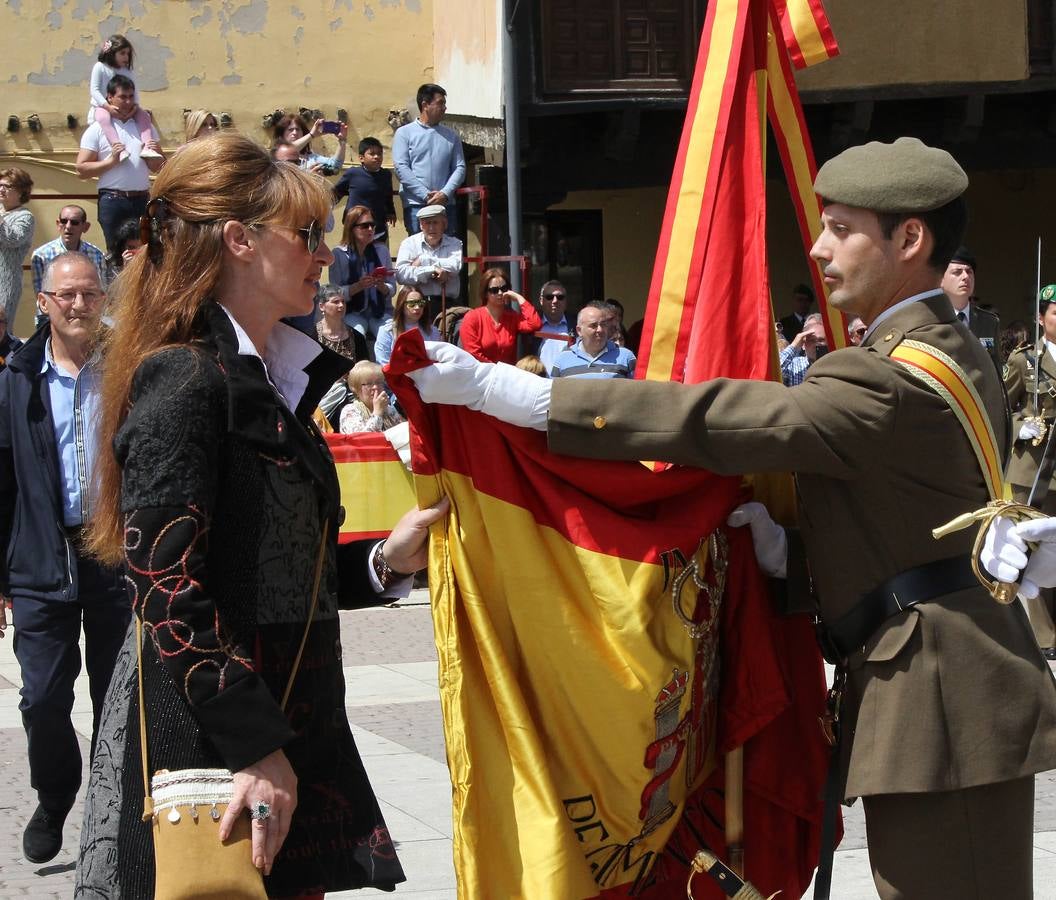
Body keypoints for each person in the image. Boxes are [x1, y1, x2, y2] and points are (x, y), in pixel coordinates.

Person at [407, 137, 1056, 900]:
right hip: (946, 684)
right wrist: (794, 557)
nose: (819, 247)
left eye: (842, 228)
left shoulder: (886, 375)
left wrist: (529, 399)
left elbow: (730, 417)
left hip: (942, 701)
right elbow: (907, 514)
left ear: (909, 240)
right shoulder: (948, 344)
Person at [74, 132, 445, 898]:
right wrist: (253, 746)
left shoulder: (269, 377)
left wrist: (383, 563)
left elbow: (266, 569)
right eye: (307, 234)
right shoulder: (186, 380)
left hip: (282, 726)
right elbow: (166, 587)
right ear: (239, 240)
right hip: (218, 745)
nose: (325, 253)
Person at [0, 253, 129, 864]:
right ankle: (55, 796)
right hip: (40, 558)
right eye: (66, 295)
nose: (79, 305)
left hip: (116, 555)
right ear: (43, 302)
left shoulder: (130, 369)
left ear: (103, 299)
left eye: (89, 294)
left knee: (118, 696)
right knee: (43, 697)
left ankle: (114, 814)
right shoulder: (16, 377)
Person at [999, 287, 1056, 657]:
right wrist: (1021, 424)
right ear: (1041, 319)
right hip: (1036, 466)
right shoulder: (1025, 359)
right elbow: (1001, 406)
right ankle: (1046, 635)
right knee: (1036, 549)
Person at [76, 74, 165, 251]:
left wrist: (154, 155)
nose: (127, 101)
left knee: (145, 252)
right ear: (110, 97)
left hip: (142, 199)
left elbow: (159, 168)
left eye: (131, 96)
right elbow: (81, 169)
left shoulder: (144, 126)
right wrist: (111, 161)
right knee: (116, 253)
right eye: (122, 97)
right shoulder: (97, 128)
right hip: (113, 200)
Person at [392, 83, 465, 235]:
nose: (444, 108)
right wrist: (425, 195)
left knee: (446, 252)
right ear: (425, 104)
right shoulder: (404, 133)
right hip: (416, 205)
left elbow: (460, 167)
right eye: (440, 103)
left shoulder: (452, 136)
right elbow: (401, 168)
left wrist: (445, 193)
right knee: (420, 251)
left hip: (446, 205)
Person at [87, 35, 160, 161]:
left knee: (144, 117)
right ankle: (118, 147)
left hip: (127, 108)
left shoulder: (128, 72)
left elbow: (135, 92)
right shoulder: (100, 67)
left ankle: (148, 146)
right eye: (122, 53)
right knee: (103, 118)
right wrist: (107, 107)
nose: (126, 57)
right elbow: (95, 90)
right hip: (103, 107)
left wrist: (134, 108)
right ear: (111, 53)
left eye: (128, 54)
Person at [329, 204, 396, 340]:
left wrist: (382, 286)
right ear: (352, 228)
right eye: (364, 226)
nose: (370, 229)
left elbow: (392, 288)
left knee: (390, 335)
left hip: (379, 311)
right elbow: (334, 294)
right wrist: (357, 287)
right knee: (357, 335)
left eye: (372, 225)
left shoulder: (381, 251)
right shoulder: (339, 254)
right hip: (352, 312)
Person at [459, 267, 541, 365]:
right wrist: (496, 371)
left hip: (506, 376)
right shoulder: (472, 317)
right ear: (485, 294)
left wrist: (519, 298)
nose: (500, 293)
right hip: (481, 375)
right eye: (494, 290)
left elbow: (534, 323)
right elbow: (473, 354)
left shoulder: (512, 317)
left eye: (504, 289)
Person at [394, 204, 463, 319]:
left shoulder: (454, 244)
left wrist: (423, 260)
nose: (431, 228)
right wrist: (432, 270)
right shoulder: (409, 243)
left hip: (446, 304)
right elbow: (401, 275)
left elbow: (455, 266)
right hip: (416, 304)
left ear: (444, 224)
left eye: (435, 222)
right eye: (427, 223)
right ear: (421, 225)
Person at [943, 246, 1001, 371]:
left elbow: (997, 372)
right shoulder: (933, 318)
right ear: (941, 279)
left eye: (969, 271)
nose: (965, 277)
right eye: (957, 272)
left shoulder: (989, 322)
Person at [31, 205, 109, 293]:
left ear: (85, 227)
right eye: (64, 221)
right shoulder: (41, 255)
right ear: (58, 224)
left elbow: (101, 291)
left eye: (74, 222)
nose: (68, 226)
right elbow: (41, 295)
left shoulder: (97, 255)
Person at [332, 137, 397, 243]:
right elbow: (336, 193)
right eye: (372, 154)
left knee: (378, 257)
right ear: (361, 158)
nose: (377, 157)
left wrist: (391, 212)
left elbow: (388, 196)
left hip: (378, 229)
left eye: (380, 154)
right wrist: (325, 208)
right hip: (354, 228)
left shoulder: (386, 175)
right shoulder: (353, 173)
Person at [550, 301, 636, 379]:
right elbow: (554, 393)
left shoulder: (626, 356)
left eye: (603, 325)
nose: (600, 329)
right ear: (579, 330)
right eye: (593, 325)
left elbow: (637, 391)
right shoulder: (563, 359)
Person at [0, 167, 35, 324]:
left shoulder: (25, 217)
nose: (1, 189)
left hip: (5, 281)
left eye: (7, 186)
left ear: (21, 191)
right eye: (0, 185)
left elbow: (12, 239)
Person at [374, 286, 441, 368]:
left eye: (421, 303)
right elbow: (383, 363)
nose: (417, 307)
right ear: (401, 305)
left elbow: (437, 360)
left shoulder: (432, 331)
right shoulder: (387, 331)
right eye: (412, 303)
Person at [271, 112, 347, 176]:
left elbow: (336, 165)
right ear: (282, 134)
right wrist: (311, 135)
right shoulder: (276, 155)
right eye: (290, 130)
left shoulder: (312, 158)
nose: (295, 133)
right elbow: (290, 150)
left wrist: (342, 140)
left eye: (297, 129)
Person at [339, 360, 404, 434]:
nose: (375, 387)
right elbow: (362, 440)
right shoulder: (350, 411)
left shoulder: (388, 409)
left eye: (379, 382)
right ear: (356, 389)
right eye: (369, 384)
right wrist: (377, 413)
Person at [315, 283, 369, 362]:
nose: (341, 305)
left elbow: (364, 369)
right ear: (322, 306)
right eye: (336, 302)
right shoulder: (312, 336)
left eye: (343, 301)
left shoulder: (357, 338)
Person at [533, 280, 575, 372]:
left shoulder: (577, 325)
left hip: (567, 382)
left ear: (566, 301)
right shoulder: (532, 326)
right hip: (539, 382)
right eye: (549, 297)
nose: (555, 301)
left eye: (560, 297)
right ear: (541, 300)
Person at [778, 311, 828, 386]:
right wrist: (794, 346)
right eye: (812, 340)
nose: (816, 344)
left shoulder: (835, 364)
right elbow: (772, 373)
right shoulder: (792, 366)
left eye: (821, 340)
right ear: (803, 345)